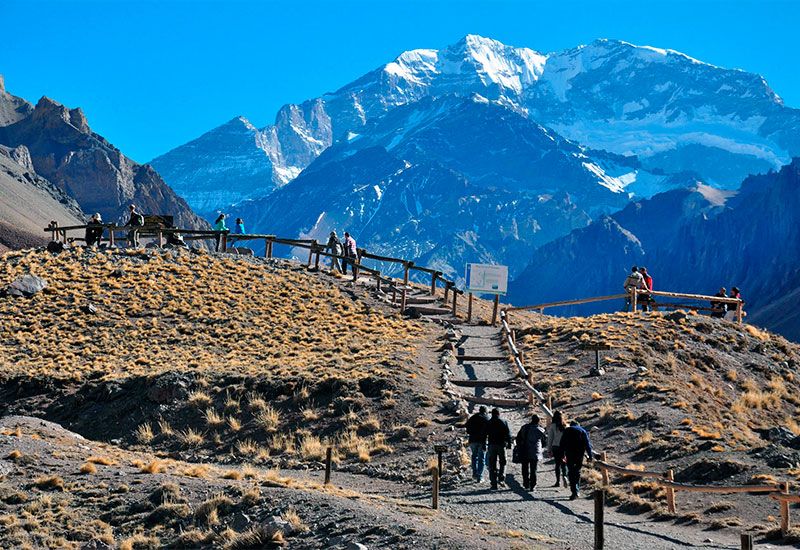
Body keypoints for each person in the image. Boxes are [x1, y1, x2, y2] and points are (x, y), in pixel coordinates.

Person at [560, 420, 595, 500]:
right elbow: (587, 444)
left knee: (571, 471)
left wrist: (562, 455)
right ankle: (577, 489)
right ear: (578, 424)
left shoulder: (567, 430)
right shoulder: (582, 430)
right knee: (577, 471)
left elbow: (562, 443)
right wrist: (590, 456)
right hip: (579, 454)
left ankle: (574, 491)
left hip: (569, 453)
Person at [515, 414, 547, 493]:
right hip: (535, 452)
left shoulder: (524, 427)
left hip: (524, 450)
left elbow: (518, 438)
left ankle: (526, 483)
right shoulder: (540, 430)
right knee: (533, 469)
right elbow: (545, 442)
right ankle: (533, 485)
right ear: (538, 421)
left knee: (525, 468)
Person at [486, 408, 512, 490]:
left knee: (492, 464)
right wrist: (509, 443)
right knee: (503, 462)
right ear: (498, 414)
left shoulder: (488, 422)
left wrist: (484, 444)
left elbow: (484, 434)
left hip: (492, 445)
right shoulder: (503, 422)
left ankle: (493, 484)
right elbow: (508, 434)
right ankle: (501, 477)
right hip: (501, 445)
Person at [465, 406, 489, 482]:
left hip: (472, 440)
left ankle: (474, 473)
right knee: (481, 458)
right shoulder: (486, 418)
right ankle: (480, 476)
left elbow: (467, 428)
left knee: (474, 457)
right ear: (485, 411)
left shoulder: (473, 417)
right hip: (482, 441)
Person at [547, 410, 568, 488]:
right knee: (564, 463)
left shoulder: (553, 426)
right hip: (564, 447)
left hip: (556, 447)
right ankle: (565, 476)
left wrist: (549, 450)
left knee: (557, 464)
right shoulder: (566, 425)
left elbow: (550, 439)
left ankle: (558, 481)